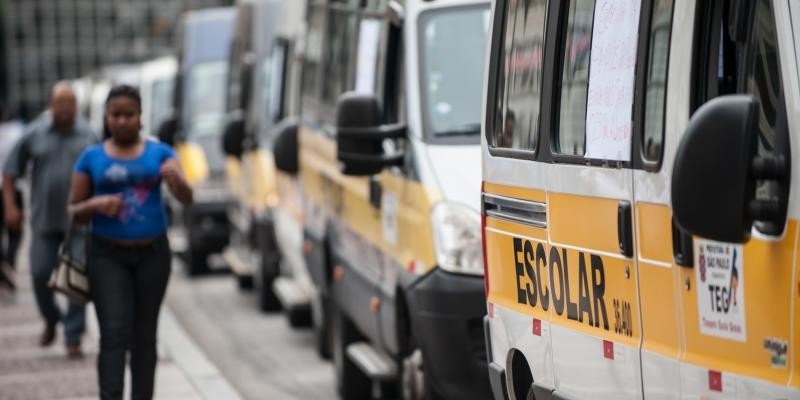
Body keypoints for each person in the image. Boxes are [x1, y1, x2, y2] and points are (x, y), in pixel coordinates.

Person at [68, 85, 192, 400]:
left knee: (144, 337)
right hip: (107, 255)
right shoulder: (91, 157)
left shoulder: (161, 153)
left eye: (129, 114)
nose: (122, 121)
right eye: (115, 115)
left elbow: (187, 198)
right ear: (106, 117)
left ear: (140, 117)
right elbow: (74, 210)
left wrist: (178, 182)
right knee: (113, 333)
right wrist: (95, 205)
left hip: (153, 255)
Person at [2, 82, 97, 356]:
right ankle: (53, 318)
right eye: (60, 102)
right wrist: (11, 208)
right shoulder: (34, 133)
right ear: (50, 105)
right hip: (43, 220)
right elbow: (9, 172)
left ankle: (73, 336)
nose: (66, 108)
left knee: (77, 279)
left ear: (77, 106)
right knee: (40, 273)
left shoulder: (89, 135)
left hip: (79, 222)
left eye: (70, 102)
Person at [0, 108, 24, 290]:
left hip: (11, 187)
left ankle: (5, 264)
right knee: (16, 232)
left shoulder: (16, 131)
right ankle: (8, 261)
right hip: (14, 187)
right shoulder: (17, 131)